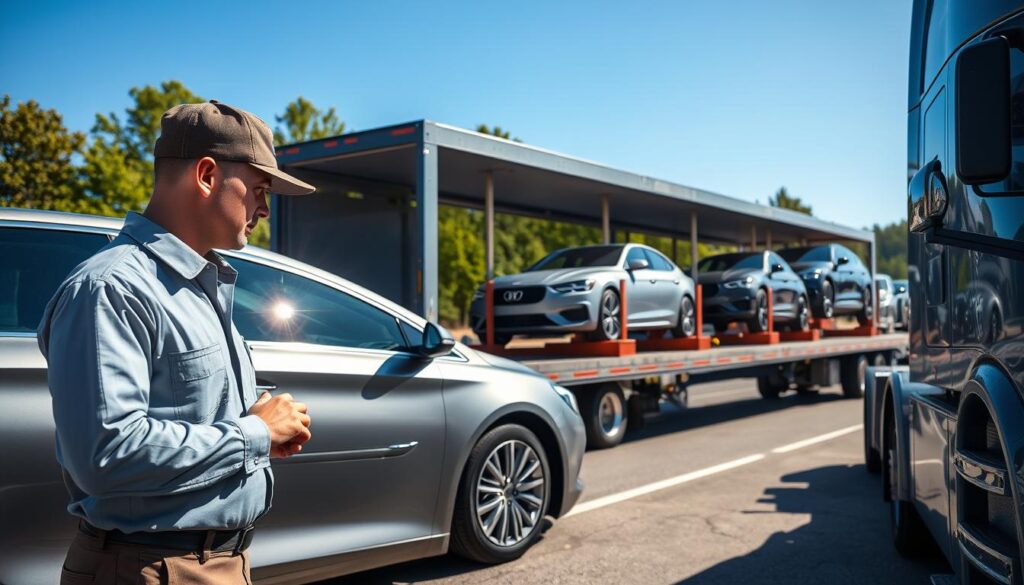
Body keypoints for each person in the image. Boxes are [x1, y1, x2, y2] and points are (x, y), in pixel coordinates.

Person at [37, 100, 316, 584]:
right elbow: (107, 456)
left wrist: (260, 436)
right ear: (207, 175)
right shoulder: (111, 288)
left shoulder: (202, 284)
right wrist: (253, 435)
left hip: (212, 563)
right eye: (258, 189)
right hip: (150, 567)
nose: (265, 208)